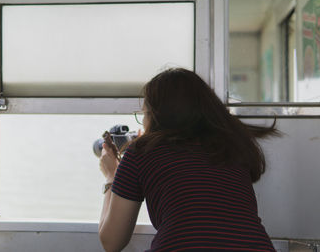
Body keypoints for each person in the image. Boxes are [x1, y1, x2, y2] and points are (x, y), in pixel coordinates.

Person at [98, 68, 279, 252]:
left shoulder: (141, 151)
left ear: (157, 116)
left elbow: (112, 242)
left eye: (144, 114)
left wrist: (111, 177)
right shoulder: (232, 145)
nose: (143, 122)